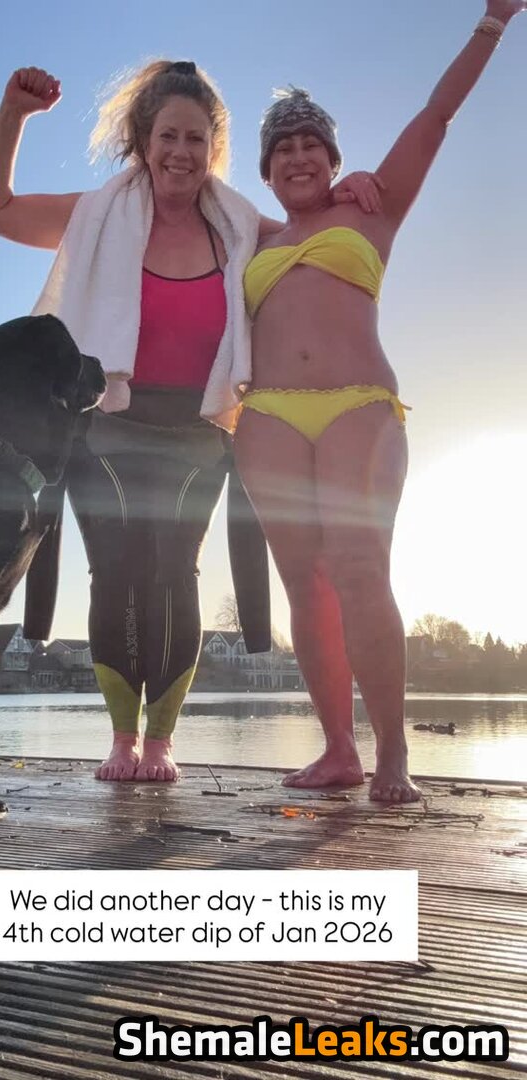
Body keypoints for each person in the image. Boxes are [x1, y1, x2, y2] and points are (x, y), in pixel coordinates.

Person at [0, 61, 380, 783]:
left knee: (174, 573)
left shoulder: (239, 227)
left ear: (213, 149)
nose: (181, 152)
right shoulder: (97, 213)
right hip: (105, 423)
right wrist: (13, 114)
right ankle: (121, 740)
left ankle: (160, 742)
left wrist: (348, 191)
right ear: (143, 140)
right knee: (114, 571)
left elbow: (314, 242)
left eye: (196, 138)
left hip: (197, 433)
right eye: (168, 136)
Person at [235, 2, 526, 803]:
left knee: (361, 567)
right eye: (282, 148)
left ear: (334, 159)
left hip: (358, 407)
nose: (297, 155)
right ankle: (338, 750)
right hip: (268, 416)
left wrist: (494, 21)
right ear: (266, 172)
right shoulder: (251, 237)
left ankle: (394, 751)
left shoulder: (373, 206)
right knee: (304, 583)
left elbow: (436, 115)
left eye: (311, 144)